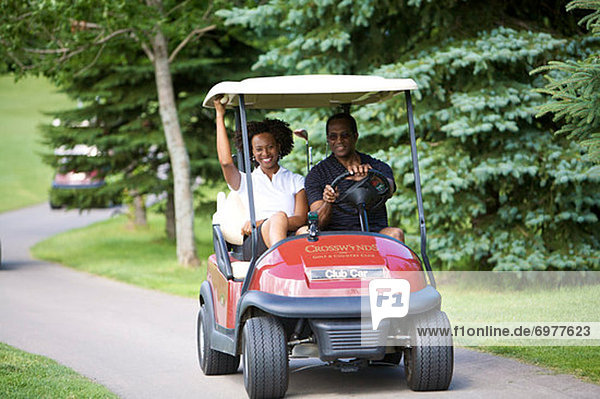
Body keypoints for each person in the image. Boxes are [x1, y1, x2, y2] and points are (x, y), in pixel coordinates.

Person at [214, 98, 308, 260]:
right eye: (259, 149)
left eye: (270, 147)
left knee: (306, 232)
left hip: (289, 234)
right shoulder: (245, 181)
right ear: (251, 152)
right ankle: (282, 266)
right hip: (256, 240)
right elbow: (226, 162)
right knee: (278, 217)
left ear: (279, 146)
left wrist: (264, 220)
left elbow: (300, 218)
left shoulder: (296, 180)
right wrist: (219, 115)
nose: (265, 153)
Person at [304, 112, 405, 241]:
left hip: (376, 234)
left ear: (355, 137)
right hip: (336, 238)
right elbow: (318, 222)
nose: (339, 141)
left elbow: (389, 189)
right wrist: (328, 201)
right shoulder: (317, 174)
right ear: (328, 140)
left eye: (344, 135)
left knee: (396, 234)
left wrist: (369, 179)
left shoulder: (375, 166)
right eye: (333, 137)